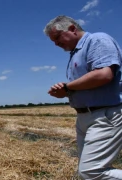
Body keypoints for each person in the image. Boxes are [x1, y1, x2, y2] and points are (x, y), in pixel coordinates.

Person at [43, 15, 122, 179]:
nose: (56, 44)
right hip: (85, 117)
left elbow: (104, 74)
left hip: (105, 115)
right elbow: (84, 86)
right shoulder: (75, 53)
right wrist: (65, 92)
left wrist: (67, 86)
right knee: (91, 168)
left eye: (57, 38)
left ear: (72, 29)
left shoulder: (97, 40)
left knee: (90, 172)